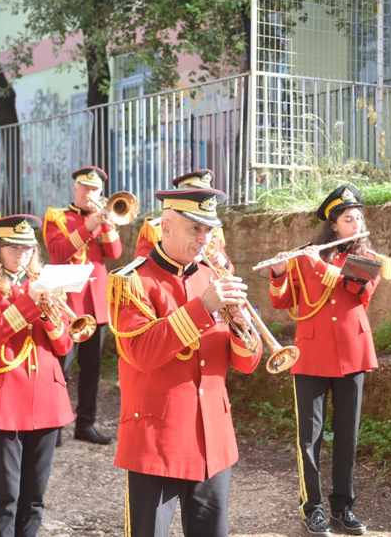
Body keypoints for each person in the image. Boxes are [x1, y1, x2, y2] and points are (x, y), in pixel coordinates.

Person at [108, 185, 262, 536]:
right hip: (157, 435)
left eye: (208, 229)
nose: (204, 237)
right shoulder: (132, 281)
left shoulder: (213, 276)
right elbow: (143, 352)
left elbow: (247, 363)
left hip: (213, 435)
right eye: (195, 227)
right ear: (166, 225)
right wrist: (203, 308)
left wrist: (239, 323)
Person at [266, 184, 388, 535]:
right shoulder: (308, 254)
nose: (356, 222)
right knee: (309, 437)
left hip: (353, 354)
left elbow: (355, 290)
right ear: (334, 225)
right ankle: (313, 507)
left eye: (358, 217)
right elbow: (280, 300)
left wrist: (315, 265)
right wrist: (277, 272)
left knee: (347, 436)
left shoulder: (369, 258)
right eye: (349, 218)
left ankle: (343, 508)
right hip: (310, 354)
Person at [0, 215, 74, 537]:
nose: (21, 255)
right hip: (5, 399)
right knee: (7, 494)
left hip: (47, 398)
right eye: (13, 247)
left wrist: (51, 316)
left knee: (36, 495)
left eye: (27, 248)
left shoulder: (47, 285)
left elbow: (64, 344)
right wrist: (28, 302)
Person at [42, 166, 122, 445]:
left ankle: (85, 424)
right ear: (75, 189)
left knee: (92, 369)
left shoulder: (104, 219)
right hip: (67, 302)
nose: (89, 194)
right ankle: (54, 424)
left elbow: (115, 253)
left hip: (95, 303)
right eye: (85, 188)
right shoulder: (56, 217)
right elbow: (58, 253)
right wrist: (88, 227)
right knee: (61, 367)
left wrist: (107, 224)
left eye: (95, 189)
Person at [135, 170, 231, 270]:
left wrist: (224, 263)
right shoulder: (154, 230)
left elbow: (228, 267)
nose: (201, 198)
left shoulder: (213, 230)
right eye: (195, 194)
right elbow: (146, 270)